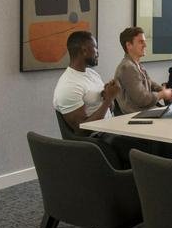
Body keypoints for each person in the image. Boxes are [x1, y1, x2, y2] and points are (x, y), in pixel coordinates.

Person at [52, 30, 133, 167]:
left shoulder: (92, 74)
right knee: (146, 149)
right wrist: (108, 99)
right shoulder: (68, 85)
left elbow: (109, 109)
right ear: (84, 50)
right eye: (95, 48)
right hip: (97, 140)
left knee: (152, 141)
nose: (98, 53)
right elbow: (81, 130)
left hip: (110, 129)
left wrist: (107, 95)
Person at [114, 26, 172, 114]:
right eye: (141, 42)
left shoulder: (138, 65)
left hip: (147, 110)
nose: (145, 45)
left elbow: (150, 83)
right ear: (129, 45)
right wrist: (162, 94)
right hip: (137, 115)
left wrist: (162, 89)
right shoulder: (127, 68)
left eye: (144, 42)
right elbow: (142, 99)